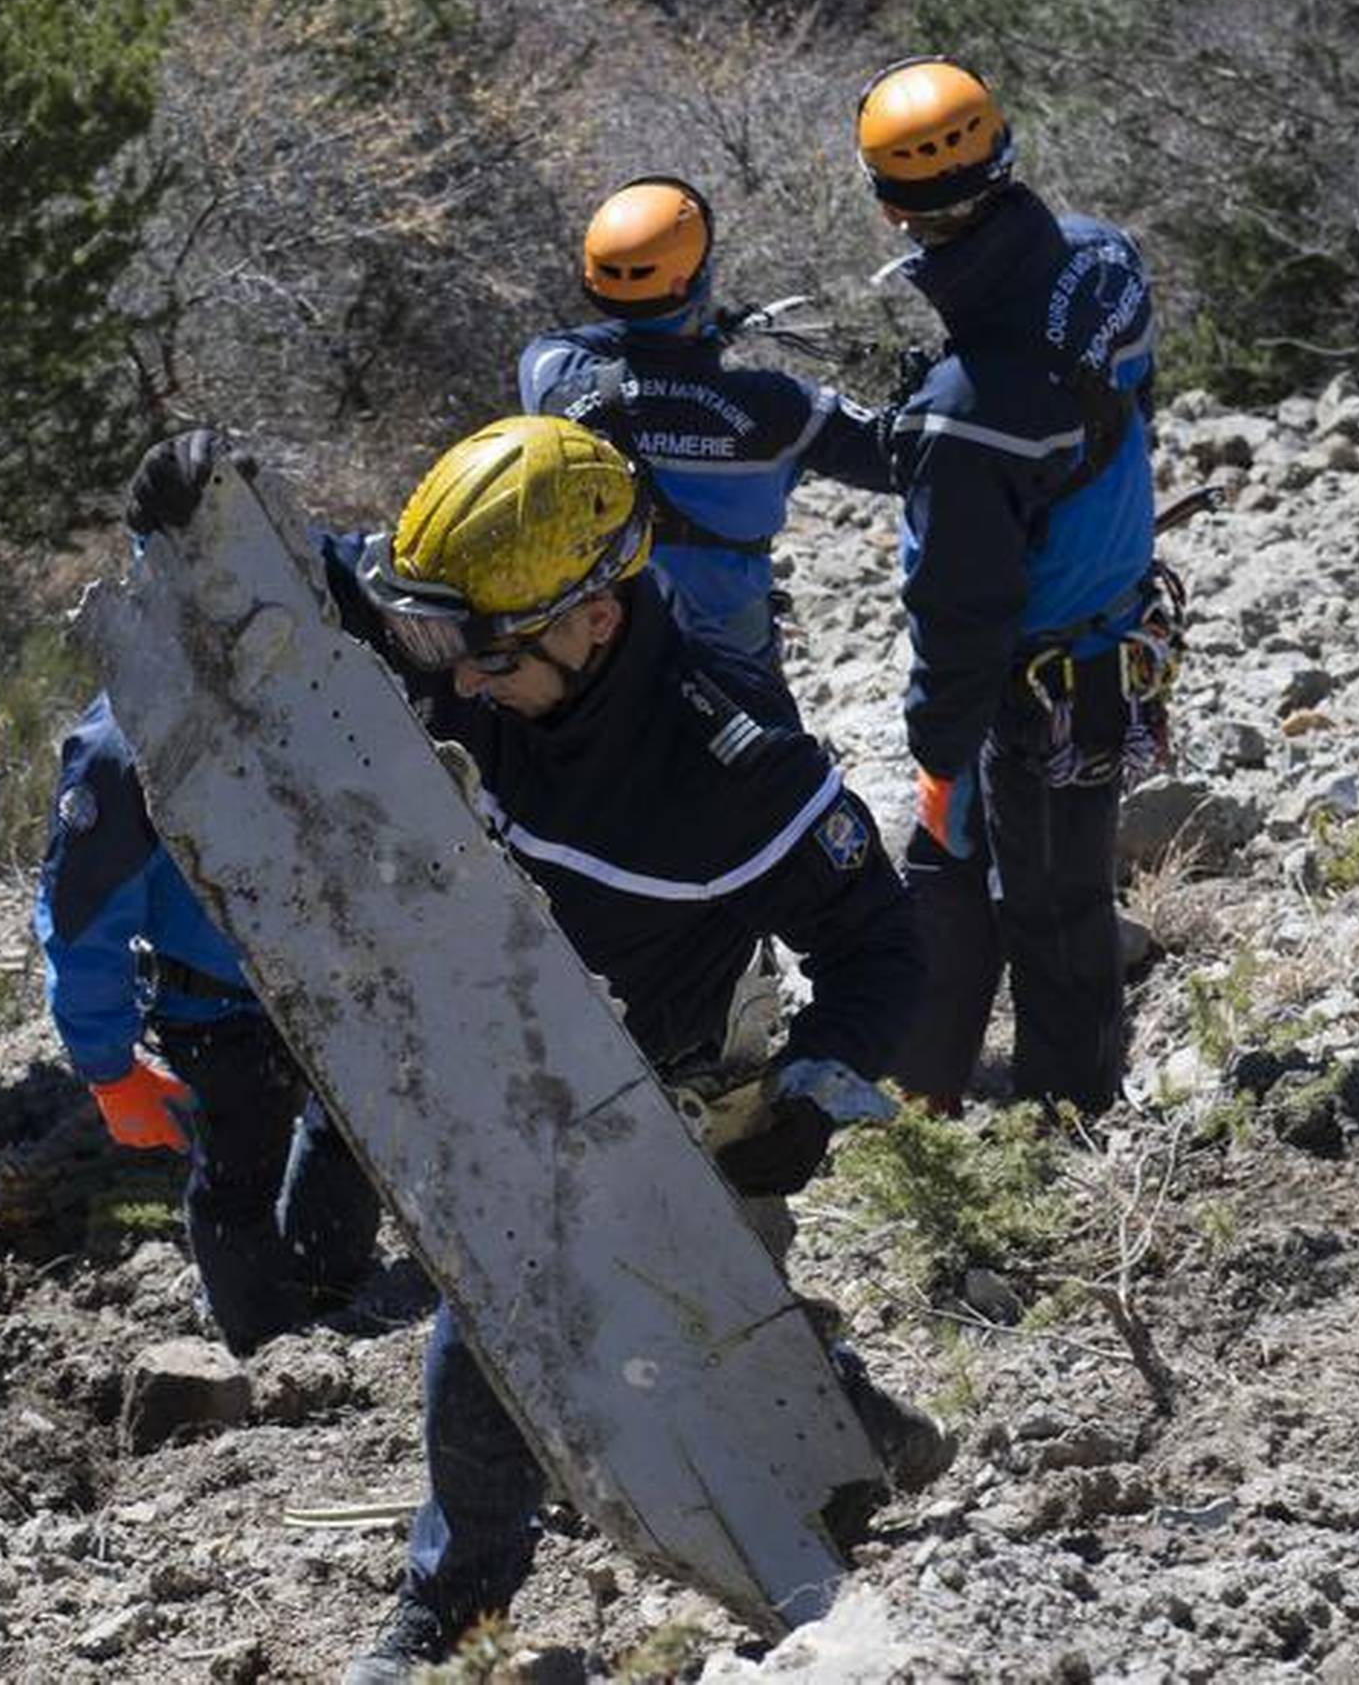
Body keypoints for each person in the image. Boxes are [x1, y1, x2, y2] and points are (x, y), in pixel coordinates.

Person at [123, 418, 950, 1680]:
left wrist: (813, 1090)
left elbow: (883, 950)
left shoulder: (738, 765)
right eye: (436, 647)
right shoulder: (476, 636)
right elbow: (337, 585)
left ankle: (452, 1611)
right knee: (588, 1310)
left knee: (513, 1325)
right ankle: (850, 1418)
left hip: (677, 1085)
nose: (454, 685)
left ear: (594, 625)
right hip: (496, 1039)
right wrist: (202, 504)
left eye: (488, 658)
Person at [851, 57, 1163, 1118]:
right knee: (1051, 891)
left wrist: (936, 745)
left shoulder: (959, 413)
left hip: (1026, 686)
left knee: (1012, 895)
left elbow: (959, 609)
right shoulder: (1105, 262)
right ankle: (994, 1102)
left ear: (892, 207)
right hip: (1108, 645)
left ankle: (1045, 1124)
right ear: (1006, 152)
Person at [34, 692, 384, 1355]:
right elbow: (83, 916)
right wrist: (107, 1066)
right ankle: (267, 1345)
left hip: (337, 982)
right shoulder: (125, 736)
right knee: (238, 1176)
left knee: (350, 1130)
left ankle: (333, 1286)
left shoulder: (321, 671)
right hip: (217, 1011)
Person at [516, 176, 895, 674]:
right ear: (697, 280)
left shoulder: (554, 382)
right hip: (733, 654)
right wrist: (701, 341)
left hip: (606, 649)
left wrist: (678, 336)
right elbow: (895, 460)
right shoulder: (779, 408)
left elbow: (594, 341)